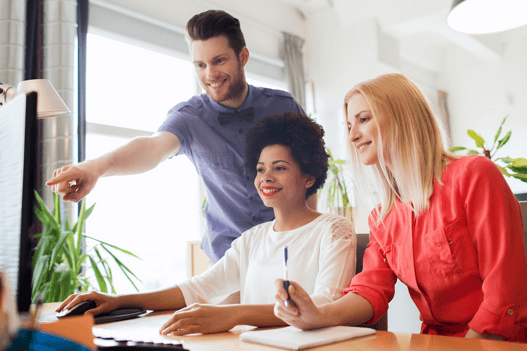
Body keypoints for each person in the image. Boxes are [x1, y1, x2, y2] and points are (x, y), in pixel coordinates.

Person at [273, 73, 527, 342]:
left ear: (402, 116)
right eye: (349, 126)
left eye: (364, 119)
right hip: (434, 343)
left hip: (497, 341)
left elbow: (504, 293)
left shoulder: (474, 175)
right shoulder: (382, 218)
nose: (353, 136)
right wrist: (318, 314)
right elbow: (371, 290)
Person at [46, 10, 314, 264]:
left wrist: (310, 229)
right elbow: (151, 148)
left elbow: (310, 171)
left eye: (219, 60)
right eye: (200, 64)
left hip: (288, 249)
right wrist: (95, 168)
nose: (210, 74)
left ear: (242, 56)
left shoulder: (284, 106)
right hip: (228, 260)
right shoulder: (189, 117)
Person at [55, 112, 356, 336]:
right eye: (261, 168)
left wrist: (232, 315)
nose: (266, 177)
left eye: (280, 168)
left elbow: (322, 306)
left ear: (309, 176)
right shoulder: (252, 239)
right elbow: (198, 289)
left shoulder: (334, 230)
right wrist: (118, 300)